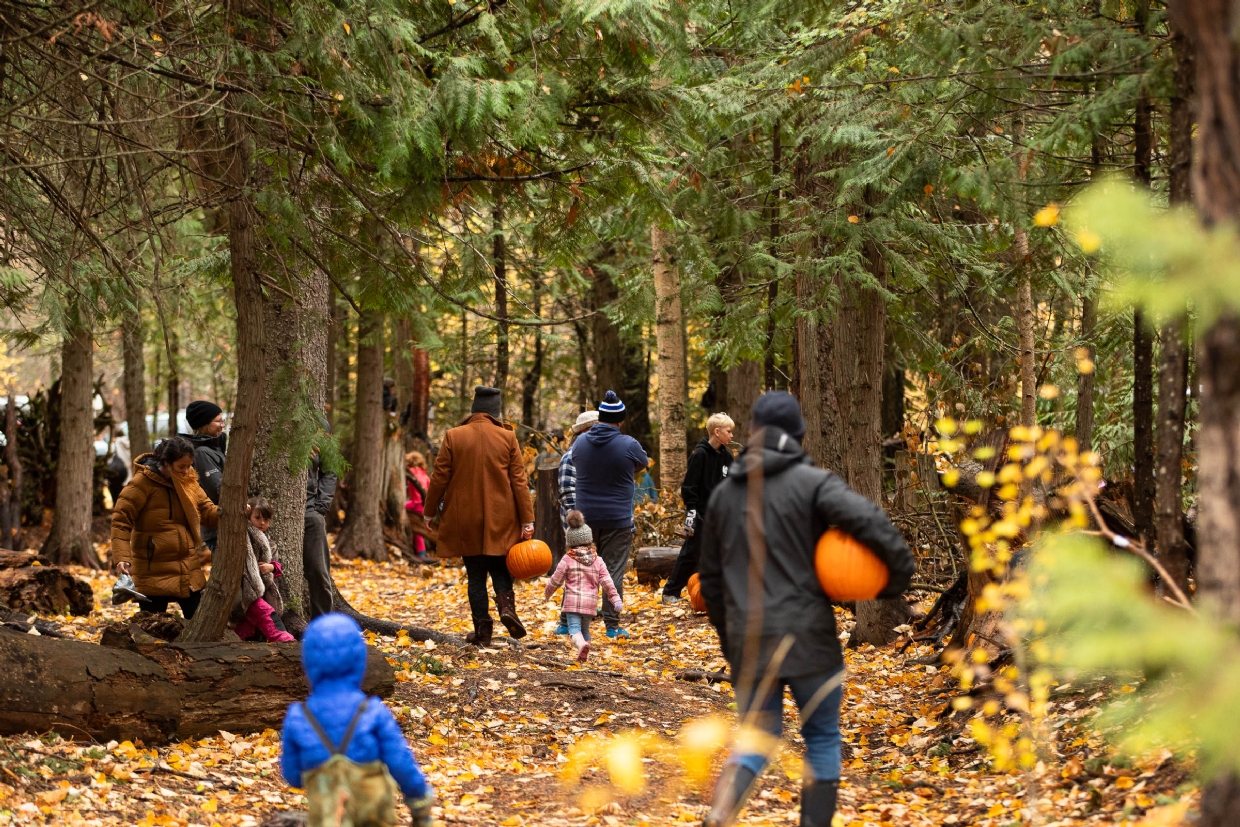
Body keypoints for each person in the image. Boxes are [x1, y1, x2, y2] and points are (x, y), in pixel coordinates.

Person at [697, 392, 916, 827]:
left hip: (750, 640)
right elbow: (871, 521)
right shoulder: (813, 482)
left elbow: (712, 583)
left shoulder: (723, 496)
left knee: (758, 738)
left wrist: (731, 642)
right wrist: (894, 581)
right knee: (821, 737)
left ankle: (720, 814)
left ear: (754, 433)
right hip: (810, 639)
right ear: (798, 433)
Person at [281, 614, 434, 827]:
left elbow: (293, 777)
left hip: (327, 819)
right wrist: (420, 802)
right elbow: (401, 763)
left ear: (308, 663)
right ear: (359, 661)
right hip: (373, 817)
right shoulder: (372, 712)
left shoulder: (299, 717)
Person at [424, 386, 535, 646]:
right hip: (502, 519)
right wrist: (527, 520)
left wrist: (429, 512)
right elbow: (519, 482)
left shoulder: (453, 436)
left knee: (475, 575)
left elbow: (439, 477)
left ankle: (483, 633)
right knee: (499, 568)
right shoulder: (508, 438)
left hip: (465, 519)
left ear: (474, 409)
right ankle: (508, 610)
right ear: (496, 412)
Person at [110, 435, 220, 619]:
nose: (186, 471)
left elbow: (207, 512)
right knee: (151, 627)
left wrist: (232, 512)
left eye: (189, 466)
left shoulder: (189, 480)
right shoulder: (142, 483)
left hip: (187, 567)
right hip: (153, 567)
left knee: (198, 622)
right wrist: (122, 557)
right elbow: (121, 521)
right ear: (167, 463)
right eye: (181, 467)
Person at [571, 390, 648, 639]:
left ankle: (571, 624)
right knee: (612, 571)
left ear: (599, 418)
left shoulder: (580, 443)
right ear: (621, 420)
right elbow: (642, 463)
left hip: (585, 519)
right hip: (617, 519)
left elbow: (576, 462)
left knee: (581, 568)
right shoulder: (629, 445)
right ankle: (612, 626)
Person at [662, 412, 735, 604]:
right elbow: (689, 486)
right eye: (729, 431)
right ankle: (670, 591)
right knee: (691, 552)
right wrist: (692, 513)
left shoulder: (727, 457)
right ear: (717, 432)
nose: (732, 435)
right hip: (701, 513)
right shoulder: (700, 454)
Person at [545, 510, 623, 663]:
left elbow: (556, 579)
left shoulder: (568, 559)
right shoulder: (598, 560)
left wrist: (548, 592)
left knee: (574, 630)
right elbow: (607, 581)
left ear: (570, 542)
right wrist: (615, 599)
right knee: (585, 629)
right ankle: (584, 654)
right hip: (590, 604)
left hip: (572, 603)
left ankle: (581, 645)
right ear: (589, 540)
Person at [551, 409, 599, 635]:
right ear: (584, 431)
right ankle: (565, 621)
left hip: (595, 519)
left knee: (592, 570)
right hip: (577, 524)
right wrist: (579, 525)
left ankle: (583, 614)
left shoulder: (596, 453)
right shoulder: (571, 456)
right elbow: (567, 492)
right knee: (575, 570)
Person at [232, 497, 296, 643]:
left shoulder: (270, 542)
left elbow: (276, 564)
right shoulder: (243, 535)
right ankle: (281, 637)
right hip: (244, 587)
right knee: (266, 613)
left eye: (266, 519)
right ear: (249, 517)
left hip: (262, 587)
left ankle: (237, 641)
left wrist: (272, 567)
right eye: (257, 518)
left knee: (247, 623)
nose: (262, 522)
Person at [304, 421, 338, 619]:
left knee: (319, 572)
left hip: (311, 511)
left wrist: (322, 505)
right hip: (272, 512)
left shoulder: (321, 424)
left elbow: (329, 471)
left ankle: (324, 623)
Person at [183, 400, 227, 551]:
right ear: (205, 424)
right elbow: (217, 489)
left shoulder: (214, 448)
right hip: (218, 527)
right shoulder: (202, 453)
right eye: (219, 421)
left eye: (223, 420)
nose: (223, 425)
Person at [404, 451, 432, 561]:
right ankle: (421, 552)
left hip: (415, 504)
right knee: (420, 528)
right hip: (424, 505)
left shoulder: (410, 472)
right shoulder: (425, 475)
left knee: (417, 530)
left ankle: (421, 554)